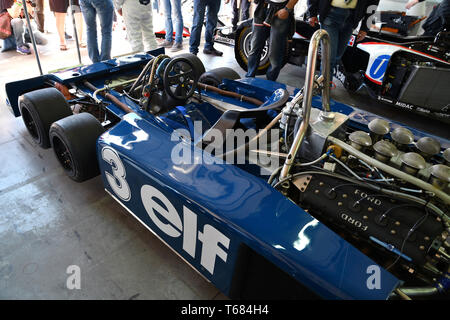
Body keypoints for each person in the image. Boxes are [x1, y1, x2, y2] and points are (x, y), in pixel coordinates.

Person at [307, 0, 379, 75]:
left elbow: (373, 5)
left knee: (337, 58)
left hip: (351, 18)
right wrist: (312, 13)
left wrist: (365, 28)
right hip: (330, 14)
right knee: (329, 58)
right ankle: (325, 85)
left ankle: (325, 82)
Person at [246, 0, 298, 81]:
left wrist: (287, 9)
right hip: (262, 7)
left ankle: (270, 81)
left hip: (281, 9)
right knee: (254, 48)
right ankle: (249, 78)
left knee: (275, 53)